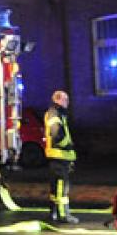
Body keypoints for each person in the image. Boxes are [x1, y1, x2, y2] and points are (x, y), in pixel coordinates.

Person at [44, 90, 78, 224]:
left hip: (58, 157)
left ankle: (53, 213)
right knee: (61, 188)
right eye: (65, 100)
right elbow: (57, 136)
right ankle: (63, 215)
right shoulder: (55, 114)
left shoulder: (57, 113)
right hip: (59, 157)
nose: (67, 102)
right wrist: (68, 145)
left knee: (56, 189)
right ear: (58, 100)